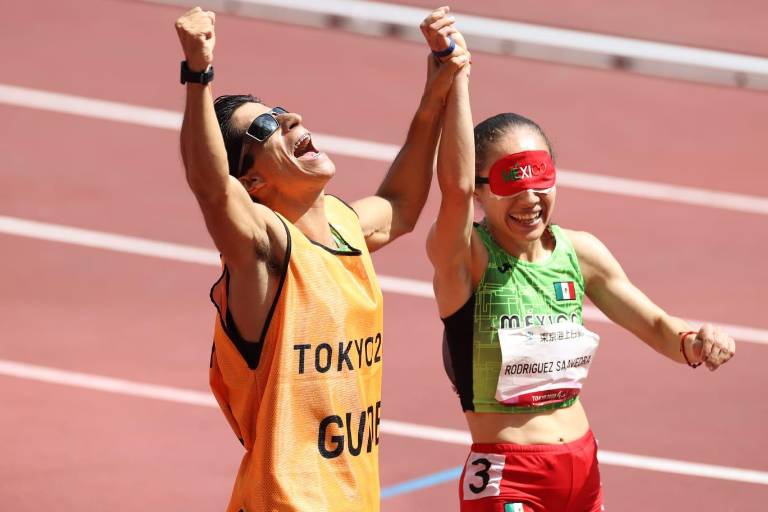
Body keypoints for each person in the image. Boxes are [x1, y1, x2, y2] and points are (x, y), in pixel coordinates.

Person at [420, 8, 736, 512]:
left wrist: (695, 341)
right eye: (510, 183)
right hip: (509, 475)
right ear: (480, 192)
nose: (530, 199)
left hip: (582, 467)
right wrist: (456, 73)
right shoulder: (467, 257)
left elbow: (657, 325)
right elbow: (453, 188)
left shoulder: (579, 252)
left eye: (540, 179)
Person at [174, 6, 468, 512]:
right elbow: (210, 188)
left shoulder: (343, 225)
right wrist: (198, 73)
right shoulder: (262, 251)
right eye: (266, 126)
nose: (289, 118)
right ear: (253, 183)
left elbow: (400, 206)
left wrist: (435, 93)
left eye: (282, 108)